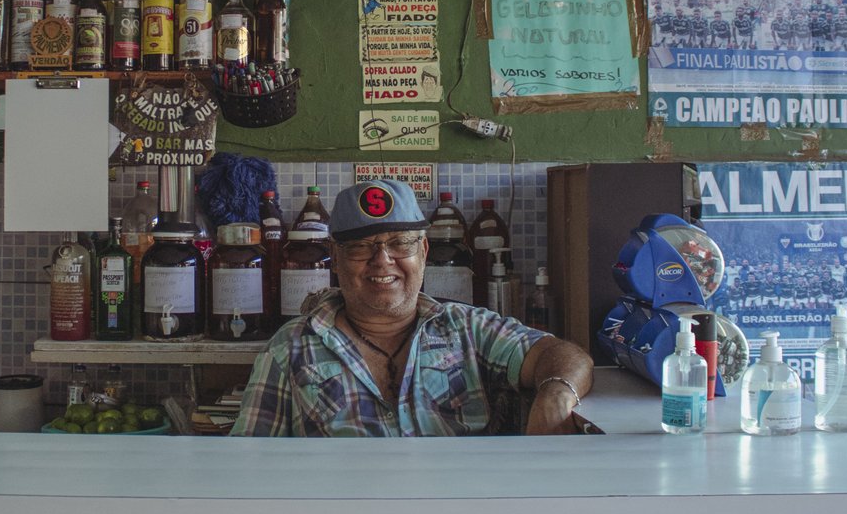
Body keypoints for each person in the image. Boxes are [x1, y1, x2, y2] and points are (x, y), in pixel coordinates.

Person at [231, 180, 593, 436]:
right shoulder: (290, 348)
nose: (382, 260)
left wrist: (557, 393)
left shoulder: (467, 330)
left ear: (423, 253)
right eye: (361, 247)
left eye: (400, 243)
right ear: (336, 261)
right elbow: (248, 467)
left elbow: (563, 355)